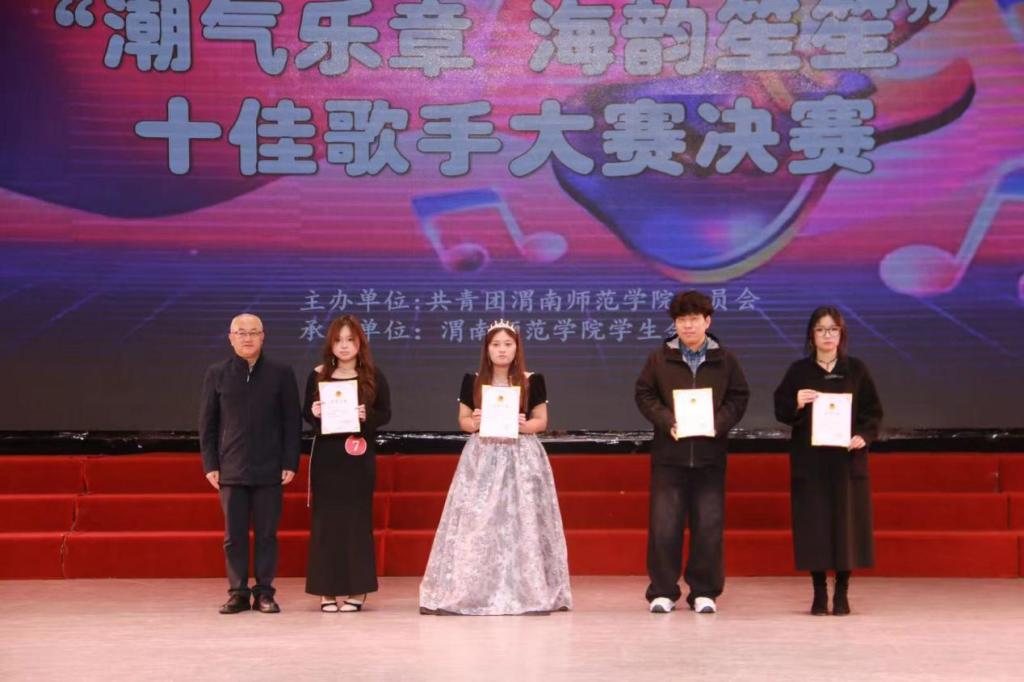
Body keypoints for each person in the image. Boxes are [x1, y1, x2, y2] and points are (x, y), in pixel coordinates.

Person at [419, 320, 572, 615]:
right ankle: (470, 591)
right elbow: (463, 421)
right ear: (487, 349)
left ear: (517, 348)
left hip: (521, 456)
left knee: (523, 520)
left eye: (508, 344)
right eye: (496, 344)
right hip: (483, 456)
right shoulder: (473, 380)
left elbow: (542, 421)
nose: (502, 350)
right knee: (478, 521)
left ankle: (528, 591)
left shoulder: (532, 380)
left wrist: (525, 425)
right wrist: (474, 422)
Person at [635, 290, 749, 614]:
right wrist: (666, 420)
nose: (688, 325)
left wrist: (718, 424)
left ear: (707, 321)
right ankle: (663, 591)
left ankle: (704, 591)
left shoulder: (725, 359)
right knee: (664, 526)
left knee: (708, 527)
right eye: (682, 320)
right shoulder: (659, 358)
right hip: (669, 457)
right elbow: (644, 394)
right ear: (675, 323)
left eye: (694, 319)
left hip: (710, 456)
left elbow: (739, 397)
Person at [773, 306, 883, 616]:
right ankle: (819, 591)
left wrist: (863, 435)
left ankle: (843, 591)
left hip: (846, 461)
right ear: (812, 335)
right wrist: (796, 402)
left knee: (846, 526)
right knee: (815, 526)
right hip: (811, 462)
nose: (827, 335)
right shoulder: (799, 371)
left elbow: (872, 412)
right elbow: (781, 410)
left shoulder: (856, 370)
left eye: (833, 329)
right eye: (821, 330)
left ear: (841, 333)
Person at [200, 313, 301, 614]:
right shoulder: (217, 373)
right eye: (241, 333)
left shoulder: (281, 373)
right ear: (230, 337)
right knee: (234, 536)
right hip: (231, 468)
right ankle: (238, 593)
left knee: (267, 535)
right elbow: (208, 424)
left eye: (253, 332)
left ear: (263, 336)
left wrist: (290, 461)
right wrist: (210, 463)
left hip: (270, 468)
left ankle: (265, 592)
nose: (247, 338)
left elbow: (291, 422)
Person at [303, 315, 391, 613]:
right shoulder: (317, 375)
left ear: (359, 343)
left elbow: (386, 413)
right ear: (330, 344)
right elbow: (306, 414)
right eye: (338, 340)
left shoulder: (373, 375)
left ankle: (357, 589)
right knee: (325, 523)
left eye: (349, 340)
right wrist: (314, 412)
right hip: (327, 457)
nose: (343, 346)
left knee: (356, 522)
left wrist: (368, 416)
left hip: (358, 457)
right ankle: (325, 590)